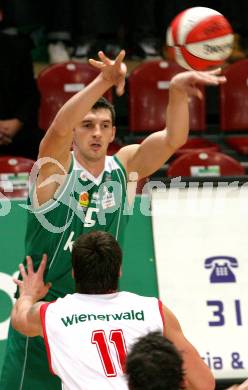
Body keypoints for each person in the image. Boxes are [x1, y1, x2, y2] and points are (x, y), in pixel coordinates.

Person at [0, 49, 226, 389]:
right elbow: (58, 129)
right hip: (45, 308)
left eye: (104, 126)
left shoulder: (125, 167)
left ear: (112, 133)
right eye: (87, 125)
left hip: (97, 312)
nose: (96, 133)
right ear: (75, 133)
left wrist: (177, 94)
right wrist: (103, 81)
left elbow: (172, 139)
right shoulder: (54, 173)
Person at [11, 230, 215, 390]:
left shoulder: (51, 314)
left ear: (74, 273)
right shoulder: (154, 310)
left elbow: (20, 320)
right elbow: (204, 383)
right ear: (119, 270)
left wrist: (28, 294)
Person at [0, 1, 42, 159]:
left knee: (44, 143)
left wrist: (17, 122)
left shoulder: (18, 47)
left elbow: (31, 95)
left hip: (15, 130)